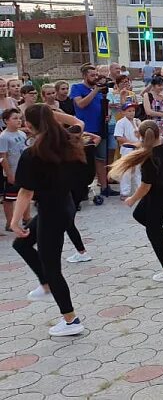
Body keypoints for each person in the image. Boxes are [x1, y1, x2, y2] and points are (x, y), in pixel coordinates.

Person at [11, 104, 89, 336]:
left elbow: (25, 192)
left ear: (29, 126)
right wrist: (50, 113)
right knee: (22, 244)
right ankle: (45, 284)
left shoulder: (33, 153)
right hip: (65, 207)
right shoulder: (69, 140)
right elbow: (79, 122)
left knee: (52, 267)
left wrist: (15, 221)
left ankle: (71, 320)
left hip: (52, 212)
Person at [110, 120, 163, 282]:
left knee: (152, 230)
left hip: (159, 195)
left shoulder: (149, 158)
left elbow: (145, 186)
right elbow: (148, 141)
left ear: (142, 136)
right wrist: (141, 136)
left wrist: (132, 198)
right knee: (139, 215)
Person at [70, 64, 119, 198]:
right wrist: (95, 90)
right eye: (92, 75)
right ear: (84, 76)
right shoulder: (77, 88)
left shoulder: (99, 90)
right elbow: (81, 104)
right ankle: (80, 189)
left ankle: (104, 187)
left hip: (100, 128)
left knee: (101, 158)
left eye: (96, 75)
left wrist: (106, 114)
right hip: (85, 130)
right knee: (83, 161)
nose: (95, 78)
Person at [0, 109, 27, 231]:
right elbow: (3, 157)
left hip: (23, 171)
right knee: (9, 198)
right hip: (12, 171)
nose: (18, 120)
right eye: (15, 118)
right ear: (6, 121)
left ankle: (26, 217)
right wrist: (9, 174)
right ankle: (10, 221)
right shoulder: (4, 137)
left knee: (25, 194)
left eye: (19, 118)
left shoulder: (22, 134)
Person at [114, 102, 142, 199]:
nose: (131, 113)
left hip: (138, 149)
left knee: (138, 170)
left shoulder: (137, 121)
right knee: (127, 171)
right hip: (127, 149)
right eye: (129, 111)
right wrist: (132, 143)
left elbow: (141, 135)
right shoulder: (120, 122)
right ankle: (125, 192)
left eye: (133, 111)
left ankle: (139, 190)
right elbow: (119, 137)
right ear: (123, 112)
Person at [143, 76, 163, 150]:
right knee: (154, 147)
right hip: (153, 125)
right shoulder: (147, 95)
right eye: (159, 85)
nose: (161, 87)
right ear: (153, 86)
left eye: (162, 85)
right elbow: (148, 111)